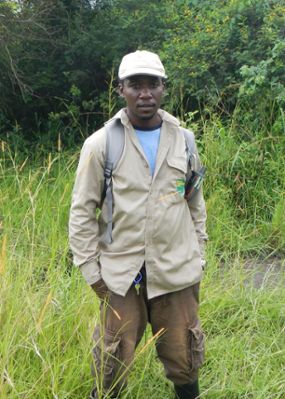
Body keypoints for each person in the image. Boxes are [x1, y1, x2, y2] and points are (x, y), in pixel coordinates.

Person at [69, 50, 207, 399]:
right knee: (111, 361)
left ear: (164, 89)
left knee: (184, 356)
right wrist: (92, 272)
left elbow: (193, 200)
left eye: (152, 85)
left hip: (176, 271)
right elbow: (82, 211)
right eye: (135, 85)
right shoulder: (101, 144)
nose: (145, 94)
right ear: (121, 89)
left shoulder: (185, 140)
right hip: (120, 275)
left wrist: (198, 254)